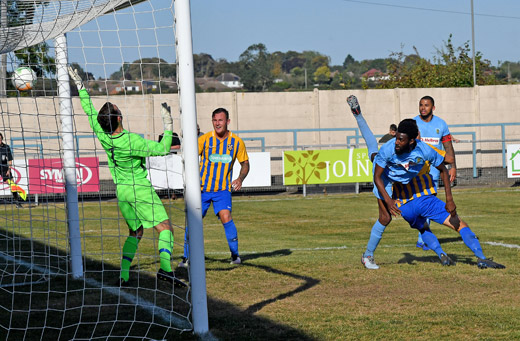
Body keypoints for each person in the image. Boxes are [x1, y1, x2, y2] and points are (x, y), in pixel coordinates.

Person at [68, 66, 186, 287]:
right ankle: (166, 269)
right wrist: (168, 124)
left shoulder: (102, 134)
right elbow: (162, 149)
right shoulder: (131, 141)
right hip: (138, 188)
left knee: (136, 231)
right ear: (119, 118)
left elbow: (88, 109)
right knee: (165, 228)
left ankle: (123, 275)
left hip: (122, 192)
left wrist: (81, 87)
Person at [373, 118, 505, 270]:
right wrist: (449, 199)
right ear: (415, 137)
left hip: (404, 206)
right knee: (459, 224)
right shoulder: (424, 150)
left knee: (423, 229)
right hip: (424, 198)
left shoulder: (390, 151)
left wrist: (389, 200)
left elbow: (378, 173)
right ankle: (481, 258)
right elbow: (447, 161)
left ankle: (441, 253)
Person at [179, 107, 249, 267]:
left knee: (226, 217)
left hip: (222, 190)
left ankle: (235, 255)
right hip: (201, 190)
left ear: (228, 122)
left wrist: (240, 178)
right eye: (215, 120)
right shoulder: (204, 140)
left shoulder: (236, 142)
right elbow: (189, 157)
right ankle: (185, 257)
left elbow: (245, 163)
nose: (217, 123)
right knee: (193, 221)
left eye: (221, 120)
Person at [413, 96, 457, 251]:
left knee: (428, 201)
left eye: (426, 105)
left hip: (435, 169)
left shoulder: (441, 124)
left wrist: (453, 166)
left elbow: (448, 147)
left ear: (433, 107)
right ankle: (423, 236)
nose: (423, 108)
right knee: (418, 202)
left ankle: (423, 239)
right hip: (416, 169)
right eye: (421, 105)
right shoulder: (413, 123)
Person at [0, 133, 26, 208]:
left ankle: (17, 202)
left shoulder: (6, 147)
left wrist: (9, 169)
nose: (0, 141)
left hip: (4, 168)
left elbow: (10, 160)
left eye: (1, 139)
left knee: (12, 184)